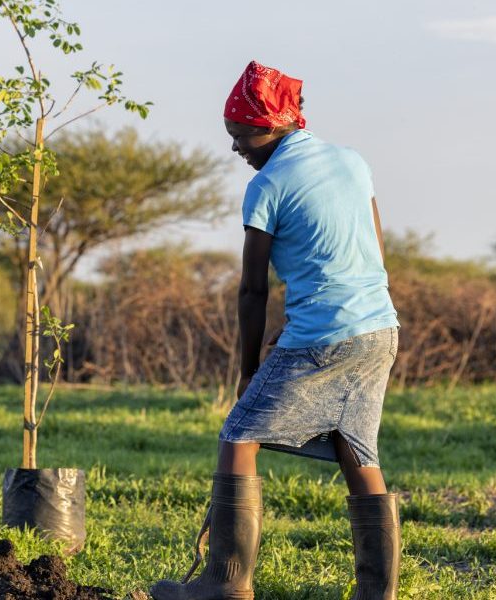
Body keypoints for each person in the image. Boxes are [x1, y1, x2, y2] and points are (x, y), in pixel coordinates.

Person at [151, 61, 402, 600]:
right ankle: (376, 594)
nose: (237, 147)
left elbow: (252, 290)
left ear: (275, 127)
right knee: (357, 448)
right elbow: (373, 254)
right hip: (379, 327)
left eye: (242, 135)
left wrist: (247, 373)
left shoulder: (267, 184)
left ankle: (224, 587)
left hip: (322, 337)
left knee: (239, 437)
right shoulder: (352, 162)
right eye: (231, 135)